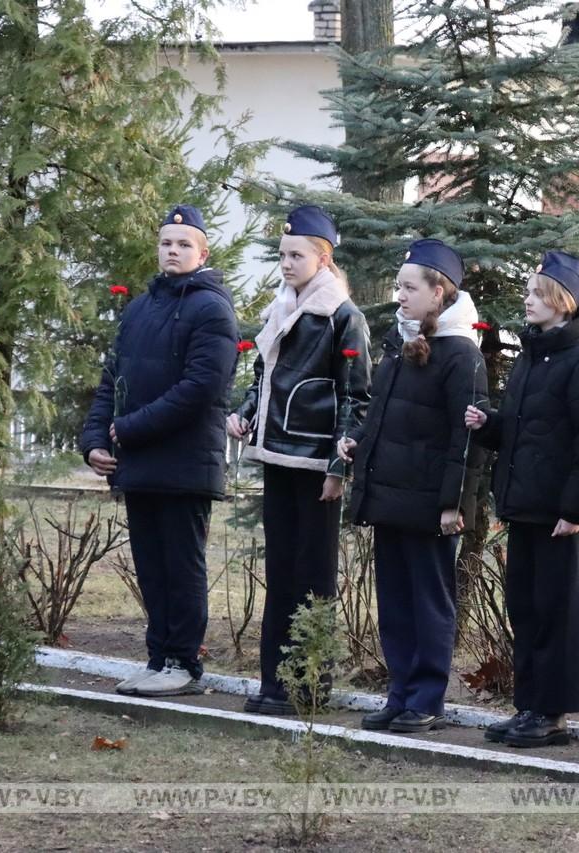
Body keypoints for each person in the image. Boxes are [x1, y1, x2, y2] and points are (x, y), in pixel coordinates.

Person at [81, 204, 238, 697]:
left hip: (185, 462)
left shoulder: (212, 308)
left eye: (183, 244)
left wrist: (128, 429)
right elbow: (113, 378)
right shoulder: (141, 307)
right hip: (140, 459)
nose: (173, 251)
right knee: (151, 566)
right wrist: (94, 440)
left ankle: (184, 664)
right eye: (166, 243)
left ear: (202, 252)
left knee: (180, 565)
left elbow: (202, 388)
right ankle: (158, 657)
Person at [338, 239, 487, 734]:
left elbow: (465, 441)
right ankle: (400, 694)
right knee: (397, 604)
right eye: (399, 287)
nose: (399, 296)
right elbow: (380, 413)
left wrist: (453, 504)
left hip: (429, 507)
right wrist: (357, 441)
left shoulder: (461, 353)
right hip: (391, 499)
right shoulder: (400, 346)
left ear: (438, 292)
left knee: (429, 603)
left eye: (409, 287)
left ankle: (427, 698)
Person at [465, 251, 579, 748]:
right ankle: (528, 705)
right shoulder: (534, 355)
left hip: (558, 513)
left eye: (535, 293)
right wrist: (491, 426)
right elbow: (527, 431)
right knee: (524, 609)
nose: (526, 301)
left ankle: (553, 712)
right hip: (523, 504)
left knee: (555, 611)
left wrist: (577, 510)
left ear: (562, 300)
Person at [228, 205, 369, 715]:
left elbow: (357, 399)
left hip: (314, 466)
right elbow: (262, 379)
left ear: (324, 259)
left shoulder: (344, 317)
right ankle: (275, 682)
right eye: (282, 255)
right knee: (282, 572)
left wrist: (338, 468)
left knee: (312, 577)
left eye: (296, 255)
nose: (286, 264)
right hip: (275, 456)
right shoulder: (280, 306)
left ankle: (309, 685)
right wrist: (244, 413)